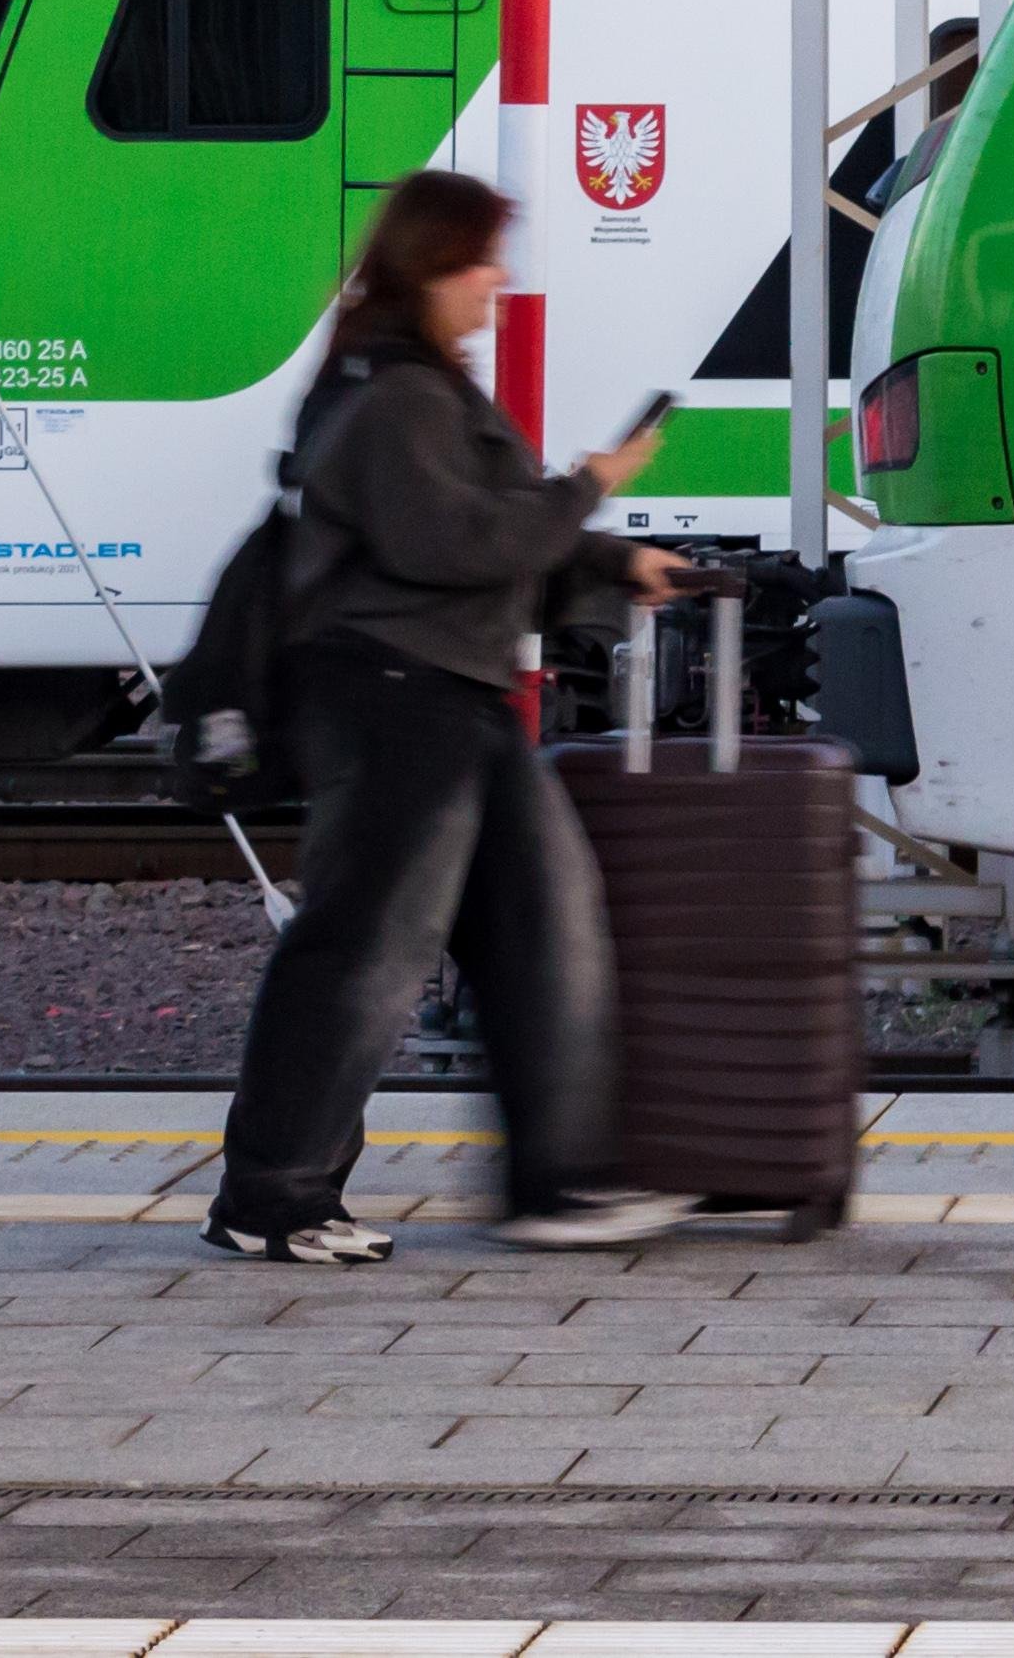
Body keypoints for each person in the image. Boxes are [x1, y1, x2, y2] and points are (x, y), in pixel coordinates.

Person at [206, 169, 702, 1263]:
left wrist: (616, 562)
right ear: (430, 265)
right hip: (391, 696)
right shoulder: (389, 394)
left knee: (542, 932)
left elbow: (484, 533)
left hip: (454, 694)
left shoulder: (421, 389)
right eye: (480, 258)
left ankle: (559, 1183)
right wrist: (592, 484)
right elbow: (453, 544)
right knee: (365, 945)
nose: (497, 279)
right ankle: (273, 1193)